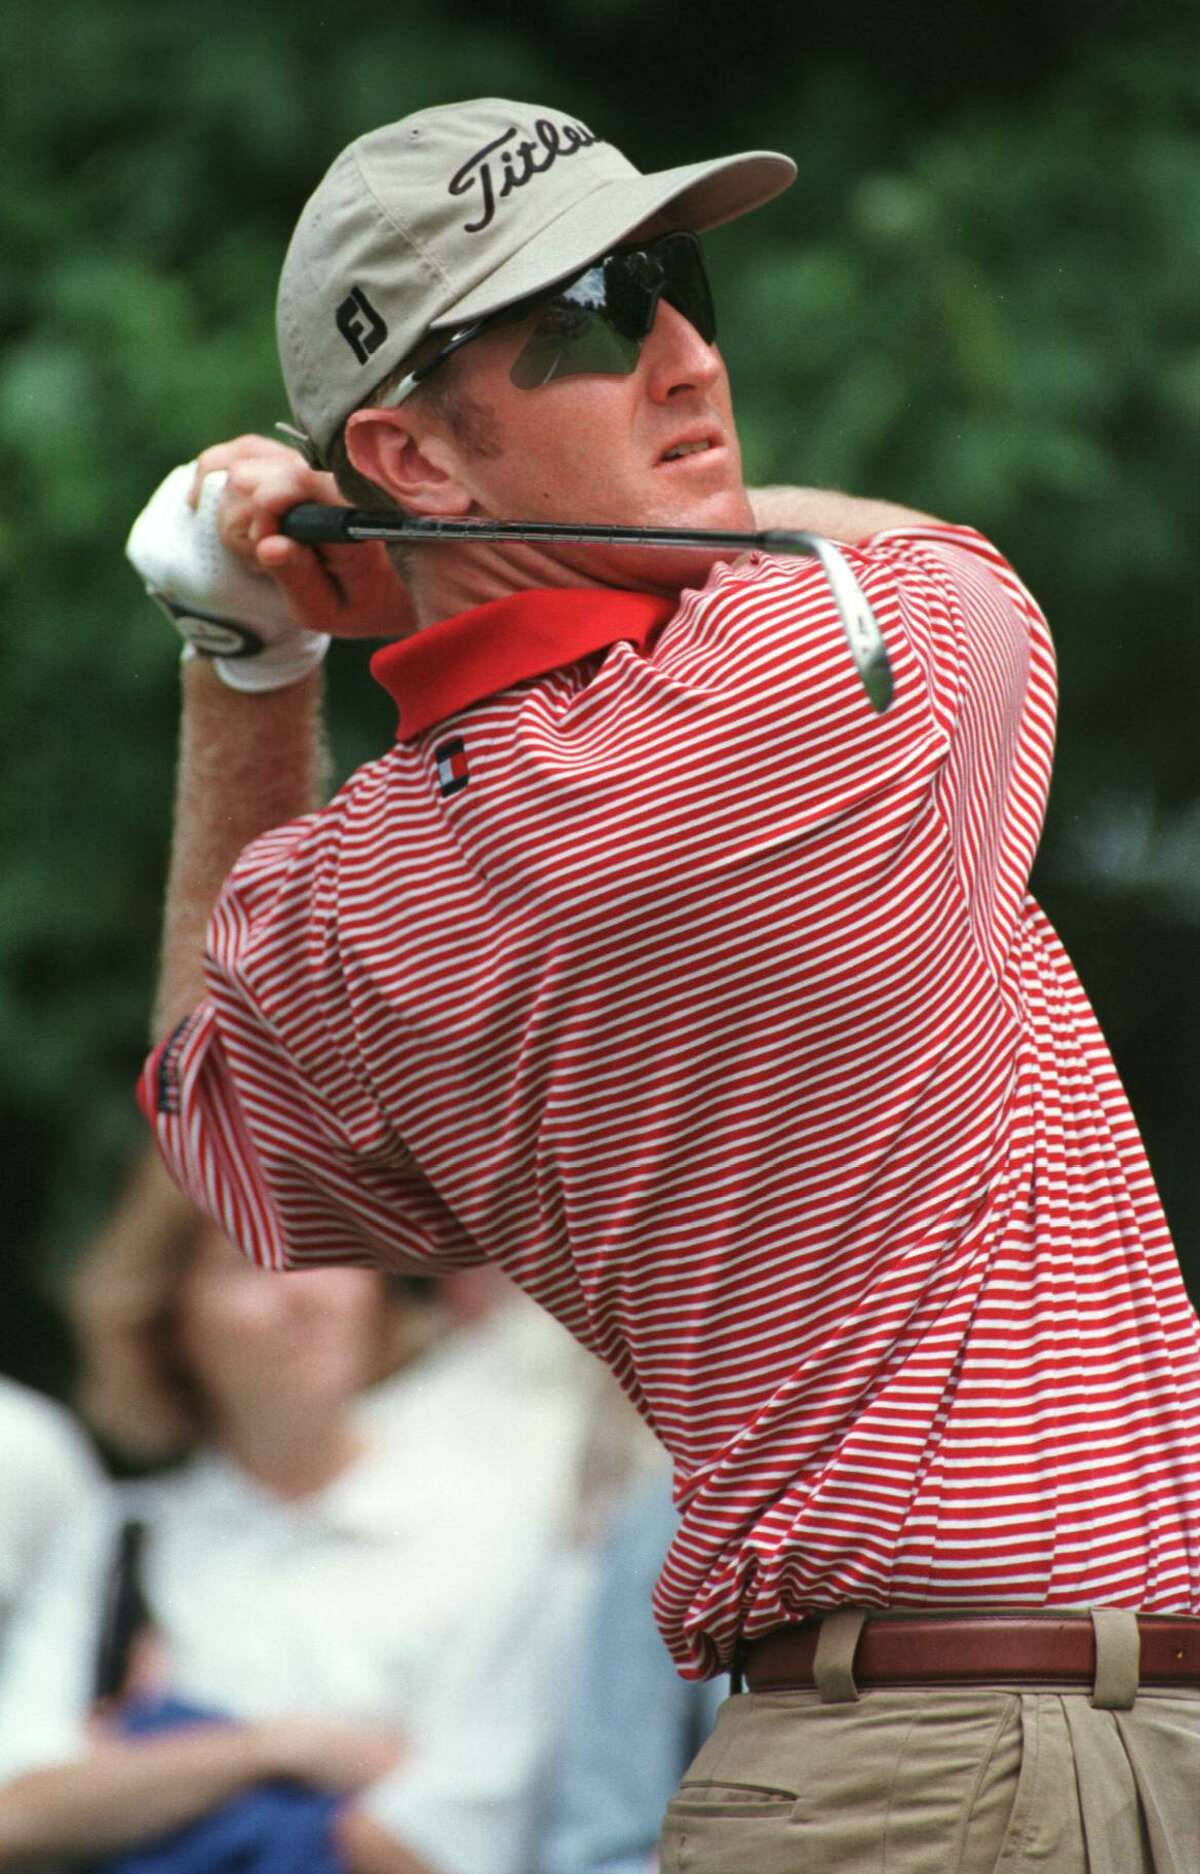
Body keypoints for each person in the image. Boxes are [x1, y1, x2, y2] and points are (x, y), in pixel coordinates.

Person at [127, 97, 1200, 1869]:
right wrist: (407, 573)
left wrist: (248, 653)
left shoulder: (353, 892)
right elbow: (924, 549)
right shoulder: (814, 670)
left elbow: (213, 1121)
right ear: (410, 453)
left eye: (676, 284)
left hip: (923, 1765)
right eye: (591, 320)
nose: (689, 358)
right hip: (976, 1766)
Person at [0, 1166, 588, 1874]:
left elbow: (443, 1849)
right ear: (169, 1319)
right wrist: (280, 1751)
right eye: (246, 1265)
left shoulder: (499, 1531)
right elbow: (13, 1815)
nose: (305, 1293)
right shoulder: (122, 1538)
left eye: (328, 1248)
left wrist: (140, 1771)